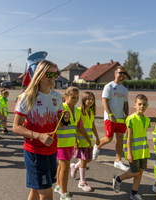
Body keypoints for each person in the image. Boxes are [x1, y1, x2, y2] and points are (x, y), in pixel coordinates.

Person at [13, 59, 70, 200]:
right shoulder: (27, 97)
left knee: (36, 191)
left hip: (51, 150)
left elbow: (61, 124)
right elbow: (16, 127)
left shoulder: (56, 97)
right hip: (35, 152)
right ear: (39, 74)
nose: (52, 78)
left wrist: (65, 120)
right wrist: (39, 136)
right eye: (48, 74)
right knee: (47, 194)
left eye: (55, 74)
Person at [54, 86, 92, 200]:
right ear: (65, 97)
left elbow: (80, 127)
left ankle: (58, 186)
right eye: (72, 97)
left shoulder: (77, 111)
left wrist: (88, 139)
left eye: (77, 97)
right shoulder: (61, 108)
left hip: (70, 143)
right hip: (61, 143)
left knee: (62, 166)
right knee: (65, 167)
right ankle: (64, 193)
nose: (75, 99)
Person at [113, 94, 150, 200]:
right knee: (135, 172)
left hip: (143, 152)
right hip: (133, 151)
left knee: (140, 172)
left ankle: (134, 194)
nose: (141, 106)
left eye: (144, 104)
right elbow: (128, 137)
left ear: (147, 105)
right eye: (139, 104)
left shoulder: (147, 120)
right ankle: (118, 179)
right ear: (134, 105)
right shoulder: (131, 119)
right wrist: (129, 152)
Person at [93, 65, 129, 171]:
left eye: (124, 73)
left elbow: (125, 104)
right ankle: (97, 146)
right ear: (115, 74)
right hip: (110, 118)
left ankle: (118, 161)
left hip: (120, 118)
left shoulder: (124, 89)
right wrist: (110, 115)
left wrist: (126, 115)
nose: (122, 75)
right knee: (109, 138)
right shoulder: (109, 86)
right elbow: (104, 101)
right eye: (120, 73)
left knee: (120, 139)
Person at [70, 91, 100, 192]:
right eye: (88, 99)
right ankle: (82, 182)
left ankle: (74, 166)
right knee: (83, 161)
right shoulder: (78, 111)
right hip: (80, 141)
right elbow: (74, 126)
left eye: (92, 99)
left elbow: (92, 125)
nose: (91, 101)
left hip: (89, 141)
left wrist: (97, 137)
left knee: (88, 160)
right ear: (83, 100)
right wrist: (75, 141)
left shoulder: (91, 112)